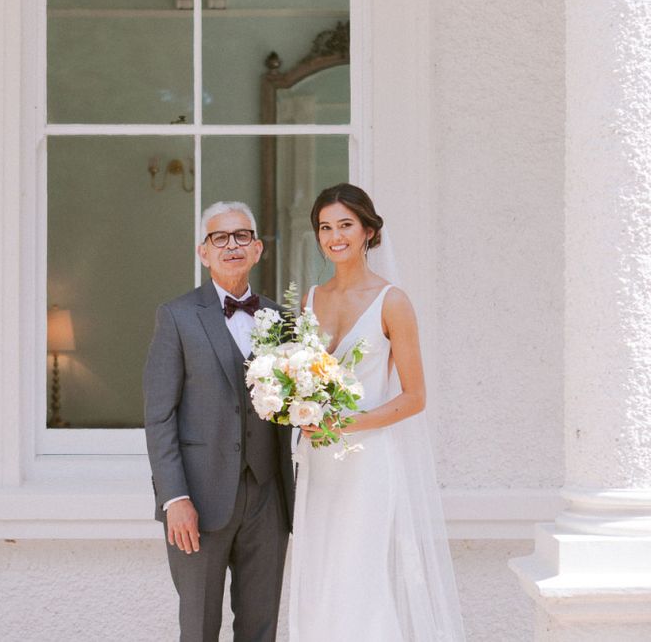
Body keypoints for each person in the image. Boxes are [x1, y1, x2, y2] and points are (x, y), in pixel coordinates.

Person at [289, 184, 465, 641]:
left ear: (368, 230)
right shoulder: (310, 299)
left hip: (367, 463)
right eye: (325, 227)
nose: (334, 236)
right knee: (320, 580)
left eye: (345, 225)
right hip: (318, 463)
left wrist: (344, 424)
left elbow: (414, 396)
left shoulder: (393, 301)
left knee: (359, 581)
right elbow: (300, 379)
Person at [144, 201, 295, 642]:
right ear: (203, 252)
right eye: (219, 238)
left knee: (260, 627)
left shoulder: (281, 320)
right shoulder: (176, 317)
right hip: (199, 502)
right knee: (199, 629)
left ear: (258, 249)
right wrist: (175, 499)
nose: (232, 245)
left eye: (242, 236)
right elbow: (159, 416)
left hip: (268, 500)